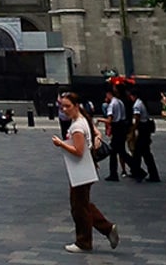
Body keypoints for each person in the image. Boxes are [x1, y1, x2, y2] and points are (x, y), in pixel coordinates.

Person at [51, 91, 118, 253]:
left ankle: (85, 241)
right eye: (62, 106)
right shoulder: (83, 120)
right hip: (84, 167)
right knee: (81, 203)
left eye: (67, 106)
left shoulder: (77, 126)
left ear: (76, 106)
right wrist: (96, 139)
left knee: (79, 207)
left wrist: (61, 143)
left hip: (81, 168)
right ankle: (106, 228)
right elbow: (96, 134)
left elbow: (78, 151)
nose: (64, 109)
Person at [127, 85, 159, 182]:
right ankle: (150, 173)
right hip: (146, 129)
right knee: (145, 153)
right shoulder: (142, 103)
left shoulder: (137, 105)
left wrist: (133, 130)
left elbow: (137, 119)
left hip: (142, 129)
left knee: (138, 153)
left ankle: (138, 172)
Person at [104, 85, 130, 181]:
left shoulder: (112, 104)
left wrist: (100, 120)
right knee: (121, 151)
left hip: (117, 128)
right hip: (122, 127)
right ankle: (136, 168)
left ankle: (113, 173)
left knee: (115, 151)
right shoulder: (119, 102)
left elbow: (109, 120)